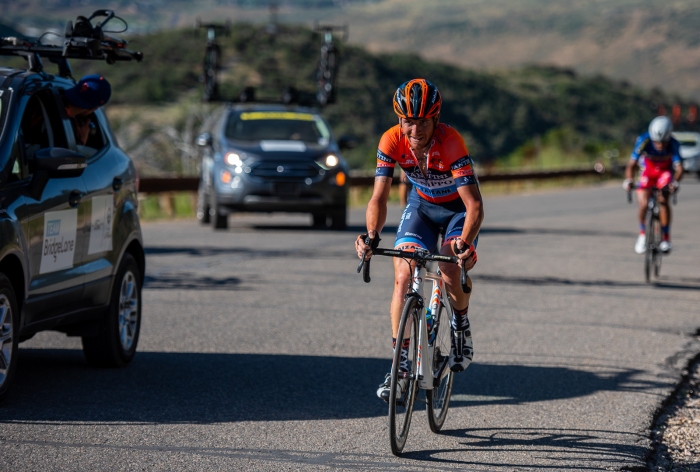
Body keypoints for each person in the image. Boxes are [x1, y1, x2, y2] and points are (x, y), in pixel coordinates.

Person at [355, 79, 484, 403]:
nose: (414, 130)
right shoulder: (390, 141)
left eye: (422, 121)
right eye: (408, 121)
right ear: (399, 120)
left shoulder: (451, 142)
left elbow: (474, 205)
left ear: (435, 119)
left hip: (456, 211)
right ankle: (400, 368)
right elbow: (379, 198)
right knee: (402, 276)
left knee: (449, 268)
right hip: (422, 207)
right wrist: (371, 236)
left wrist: (464, 244)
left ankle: (460, 325)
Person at [623, 116, 683, 254]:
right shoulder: (644, 140)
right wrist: (629, 180)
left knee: (663, 200)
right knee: (643, 204)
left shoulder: (674, 144)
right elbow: (631, 165)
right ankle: (642, 235)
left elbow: (679, 168)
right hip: (648, 172)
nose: (659, 145)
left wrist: (675, 182)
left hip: (664, 173)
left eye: (663, 142)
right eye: (656, 142)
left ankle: (666, 238)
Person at [62, 74, 112, 146]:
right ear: (94, 108)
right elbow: (69, 156)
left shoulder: (48, 103)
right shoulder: (60, 122)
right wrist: (81, 140)